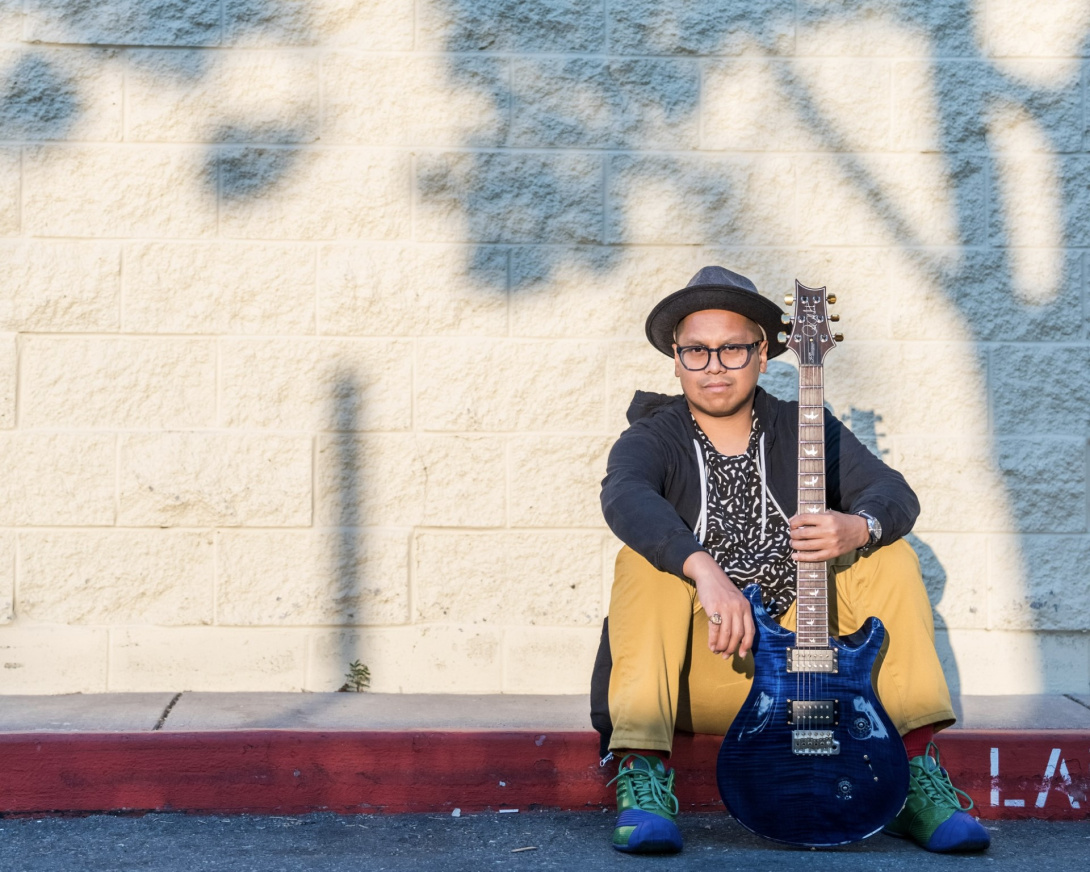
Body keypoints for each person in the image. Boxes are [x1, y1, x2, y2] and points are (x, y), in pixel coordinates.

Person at [590, 266, 989, 855]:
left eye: (732, 349)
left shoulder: (802, 425)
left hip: (821, 675)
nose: (715, 365)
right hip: (707, 673)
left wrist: (860, 525)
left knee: (889, 555)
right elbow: (625, 497)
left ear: (763, 354)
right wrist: (703, 571)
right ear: (675, 361)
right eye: (695, 351)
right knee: (643, 565)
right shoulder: (656, 436)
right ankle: (643, 777)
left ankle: (913, 778)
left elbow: (892, 492)